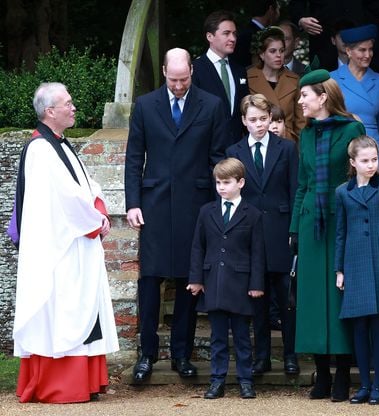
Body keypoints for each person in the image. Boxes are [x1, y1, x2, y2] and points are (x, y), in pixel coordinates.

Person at [125, 48, 228, 383]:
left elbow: (218, 159)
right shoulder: (145, 105)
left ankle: (182, 355)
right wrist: (132, 202)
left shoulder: (212, 105)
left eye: (184, 79)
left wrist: (217, 206)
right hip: (154, 205)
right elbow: (134, 157)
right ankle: (147, 354)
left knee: (188, 282)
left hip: (195, 205)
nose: (179, 85)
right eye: (173, 79)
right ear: (165, 72)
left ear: (192, 73)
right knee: (151, 281)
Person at [13, 82, 119, 403]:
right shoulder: (41, 149)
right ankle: (59, 385)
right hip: (59, 251)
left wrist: (98, 207)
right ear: (50, 111)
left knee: (80, 308)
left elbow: (86, 185)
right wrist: (95, 220)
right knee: (63, 312)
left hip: (75, 244)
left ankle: (86, 382)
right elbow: (65, 198)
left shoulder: (59, 144)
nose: (74, 107)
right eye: (68, 103)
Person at [289, 69, 365, 402]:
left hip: (341, 222)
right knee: (312, 300)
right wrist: (294, 227)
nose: (300, 101)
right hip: (311, 225)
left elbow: (360, 179)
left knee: (339, 298)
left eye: (305, 95)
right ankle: (321, 374)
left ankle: (344, 375)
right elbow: (303, 185)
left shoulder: (352, 129)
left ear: (323, 97)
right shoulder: (305, 135)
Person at [225, 94, 299, 376]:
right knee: (257, 299)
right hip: (249, 234)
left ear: (271, 119)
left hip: (281, 231)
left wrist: (295, 230)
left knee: (287, 299)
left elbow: (295, 191)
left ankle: (291, 355)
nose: (259, 125)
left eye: (264, 119)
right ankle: (262, 356)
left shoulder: (287, 148)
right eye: (253, 120)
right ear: (244, 121)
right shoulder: (234, 152)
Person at [335, 136, 379, 405]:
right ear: (353, 163)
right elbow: (340, 233)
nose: (370, 165)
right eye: (364, 161)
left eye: (374, 159)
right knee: (358, 327)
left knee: (378, 326)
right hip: (354, 263)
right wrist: (339, 269)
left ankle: (378, 385)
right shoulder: (342, 192)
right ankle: (363, 384)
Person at [187, 158, 265, 400]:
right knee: (217, 337)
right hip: (215, 283)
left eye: (227, 182)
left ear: (240, 182)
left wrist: (256, 284)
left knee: (242, 337)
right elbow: (198, 247)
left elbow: (258, 252)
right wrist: (196, 279)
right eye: (218, 182)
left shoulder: (252, 214)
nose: (221, 187)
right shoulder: (206, 211)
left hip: (241, 285)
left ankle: (245, 380)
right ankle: (217, 380)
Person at [330, 24, 379, 173]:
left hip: (373, 151)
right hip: (344, 148)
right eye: (362, 50)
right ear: (348, 51)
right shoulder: (332, 79)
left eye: (370, 49)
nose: (368, 54)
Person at [192, 10, 250, 146]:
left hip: (237, 149)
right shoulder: (195, 69)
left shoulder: (240, 70)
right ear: (210, 36)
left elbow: (244, 109)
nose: (233, 38)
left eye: (234, 34)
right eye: (226, 33)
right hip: (205, 150)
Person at [247, 26, 305, 142]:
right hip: (258, 144)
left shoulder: (294, 80)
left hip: (287, 143)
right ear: (262, 55)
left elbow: (301, 123)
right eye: (273, 51)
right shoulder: (248, 78)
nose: (278, 55)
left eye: (281, 51)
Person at [232, 1, 281, 68]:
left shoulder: (243, 32)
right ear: (271, 9)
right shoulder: (252, 35)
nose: (278, 14)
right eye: (278, 9)